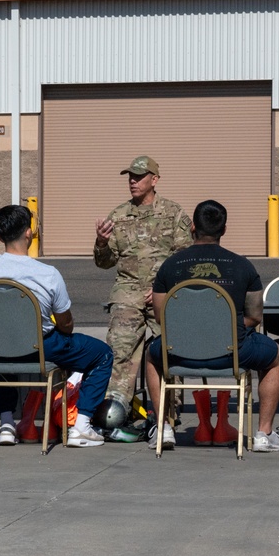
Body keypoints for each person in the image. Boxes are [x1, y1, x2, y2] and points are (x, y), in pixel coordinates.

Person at [144, 199, 279, 452]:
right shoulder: (243, 266)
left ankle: (164, 428)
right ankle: (264, 433)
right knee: (276, 356)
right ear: (224, 230)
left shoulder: (169, 266)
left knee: (151, 355)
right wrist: (221, 326)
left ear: (192, 228)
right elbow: (255, 317)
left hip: (180, 352)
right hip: (232, 353)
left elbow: (160, 316)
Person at [0, 205, 114, 447]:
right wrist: (63, 330)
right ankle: (81, 425)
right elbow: (65, 322)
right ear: (29, 233)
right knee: (102, 354)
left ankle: (6, 424)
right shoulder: (47, 273)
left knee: (4, 349)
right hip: (42, 345)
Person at [94, 155, 192, 403]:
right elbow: (105, 262)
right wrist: (101, 243)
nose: (133, 181)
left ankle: (168, 409)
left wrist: (165, 287)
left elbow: (185, 258)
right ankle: (115, 408)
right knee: (119, 349)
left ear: (154, 179)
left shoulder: (173, 213)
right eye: (130, 177)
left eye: (139, 177)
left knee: (169, 349)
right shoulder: (118, 215)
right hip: (128, 293)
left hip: (164, 294)